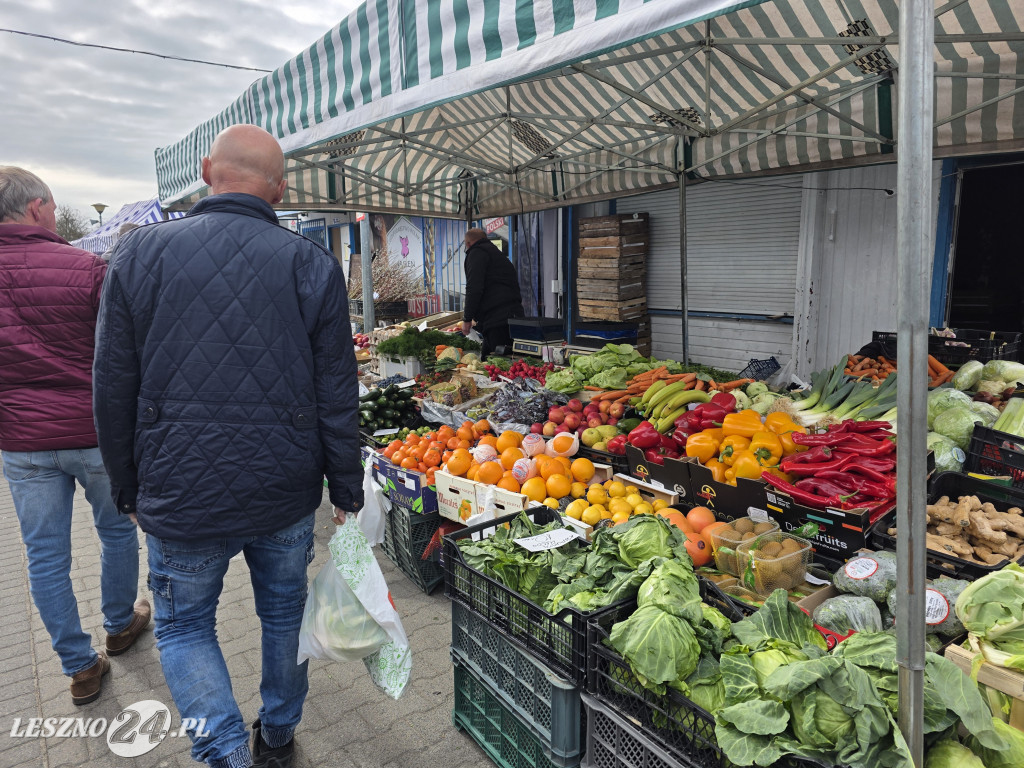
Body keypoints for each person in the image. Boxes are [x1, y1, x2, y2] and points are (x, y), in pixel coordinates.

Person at [93, 125, 363, 768]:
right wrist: (347, 490)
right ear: (281, 189)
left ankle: (226, 754)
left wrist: (126, 486)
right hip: (284, 487)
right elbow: (337, 392)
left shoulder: (139, 253)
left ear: (206, 170)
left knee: (185, 626)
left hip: (179, 486)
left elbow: (111, 385)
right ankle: (278, 735)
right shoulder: (310, 264)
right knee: (284, 613)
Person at [0, 166, 150, 706]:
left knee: (44, 556)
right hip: (95, 433)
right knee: (116, 532)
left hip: (22, 440)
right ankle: (119, 624)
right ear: (37, 207)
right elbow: (123, 352)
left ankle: (79, 665)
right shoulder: (87, 269)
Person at [461, 227, 524, 358]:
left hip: (497, 321)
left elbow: (474, 288)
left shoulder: (476, 253)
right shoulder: (497, 254)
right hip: (513, 317)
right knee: (490, 358)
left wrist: (467, 319)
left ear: (468, 243)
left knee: (498, 361)